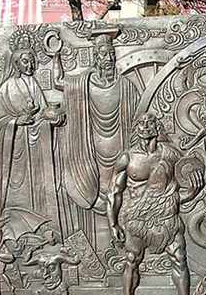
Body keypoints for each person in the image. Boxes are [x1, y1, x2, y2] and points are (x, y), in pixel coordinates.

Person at [107, 112, 205, 295]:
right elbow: (114, 192)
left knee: (179, 257)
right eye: (141, 123)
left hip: (166, 215)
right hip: (137, 217)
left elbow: (185, 175)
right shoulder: (127, 158)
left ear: (157, 127)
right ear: (136, 129)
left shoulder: (170, 154)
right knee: (132, 259)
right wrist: (113, 224)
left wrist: (192, 189)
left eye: (149, 122)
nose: (145, 126)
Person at [52, 28, 140, 250]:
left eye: (111, 54)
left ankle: (127, 242)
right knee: (99, 196)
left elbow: (139, 121)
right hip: (91, 156)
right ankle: (103, 246)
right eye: (103, 54)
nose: (108, 59)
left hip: (121, 153)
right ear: (95, 57)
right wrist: (54, 55)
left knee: (120, 196)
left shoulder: (126, 86)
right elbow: (59, 81)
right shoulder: (84, 83)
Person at [0, 41, 66, 234]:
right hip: (16, 148)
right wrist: (16, 121)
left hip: (35, 146)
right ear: (16, 64)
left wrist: (50, 116)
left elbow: (41, 110)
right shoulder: (8, 87)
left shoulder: (33, 83)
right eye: (25, 61)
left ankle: (44, 225)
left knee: (39, 187)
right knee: (20, 191)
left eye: (32, 61)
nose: (30, 65)